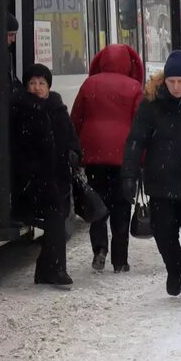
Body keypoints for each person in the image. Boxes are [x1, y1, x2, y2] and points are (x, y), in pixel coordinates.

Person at [122, 51, 181, 304]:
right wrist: (129, 174)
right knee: (164, 235)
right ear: (164, 81)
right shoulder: (152, 104)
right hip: (160, 183)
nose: (176, 87)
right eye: (171, 81)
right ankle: (174, 269)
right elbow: (136, 140)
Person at [71, 45, 144, 274]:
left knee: (97, 204)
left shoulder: (89, 84)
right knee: (122, 208)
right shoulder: (134, 87)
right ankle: (120, 260)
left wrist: (76, 150)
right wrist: (141, 159)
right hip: (124, 158)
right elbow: (140, 126)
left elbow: (76, 118)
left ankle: (100, 249)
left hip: (94, 156)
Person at [17, 64, 81, 287]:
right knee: (55, 220)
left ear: (49, 86)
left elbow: (71, 135)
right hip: (35, 177)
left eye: (42, 83)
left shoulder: (57, 107)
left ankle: (45, 269)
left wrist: (74, 153)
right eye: (32, 83)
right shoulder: (21, 109)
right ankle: (55, 269)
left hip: (58, 174)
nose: (37, 87)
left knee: (58, 220)